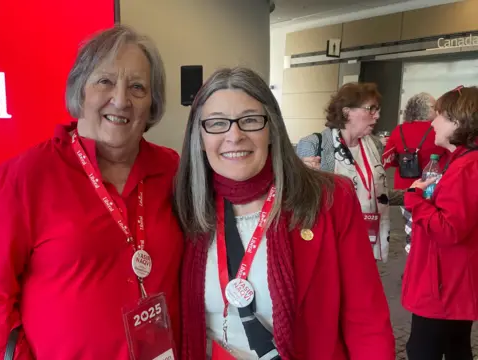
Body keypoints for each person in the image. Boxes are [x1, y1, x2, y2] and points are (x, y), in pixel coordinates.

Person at [0, 25, 184, 359]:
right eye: (105, 81)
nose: (121, 99)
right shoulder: (26, 176)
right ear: (80, 89)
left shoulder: (173, 171)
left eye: (138, 87)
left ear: (152, 103)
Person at [176, 67, 394, 360]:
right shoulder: (185, 207)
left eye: (250, 120)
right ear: (199, 137)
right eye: (216, 124)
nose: (234, 135)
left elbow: (366, 320)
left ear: (271, 128)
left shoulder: (329, 199)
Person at [402, 85, 478, 360]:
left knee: (424, 350)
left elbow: (448, 230)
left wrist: (415, 200)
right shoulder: (461, 161)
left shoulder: (466, 167)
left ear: (459, 122)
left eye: (440, 116)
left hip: (442, 287)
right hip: (450, 284)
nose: (433, 122)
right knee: (456, 347)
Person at [296, 83, 390, 262]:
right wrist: (301, 175)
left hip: (368, 236)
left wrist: (411, 193)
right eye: (371, 109)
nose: (377, 116)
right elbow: (299, 197)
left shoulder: (375, 145)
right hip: (330, 238)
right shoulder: (313, 144)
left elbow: (376, 192)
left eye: (377, 110)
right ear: (347, 112)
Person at [382, 92, 447, 253]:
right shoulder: (437, 131)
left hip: (405, 189)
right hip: (432, 189)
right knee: (430, 231)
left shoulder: (399, 130)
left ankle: (412, 265)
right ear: (428, 109)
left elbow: (388, 159)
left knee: (411, 230)